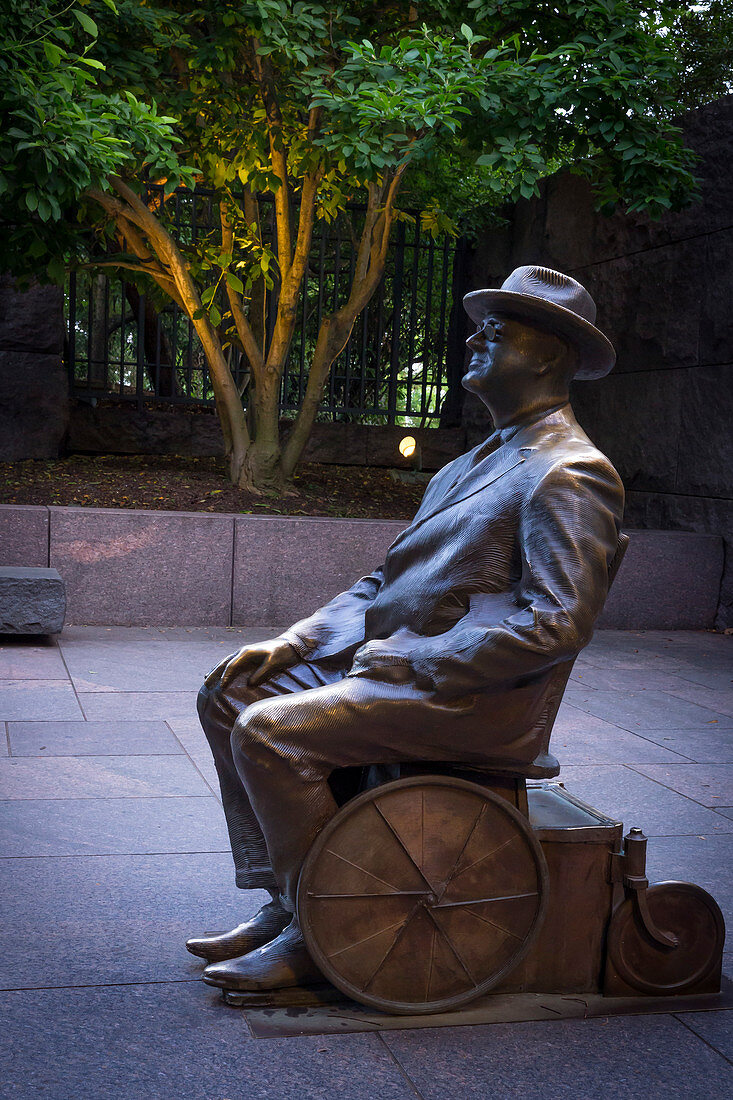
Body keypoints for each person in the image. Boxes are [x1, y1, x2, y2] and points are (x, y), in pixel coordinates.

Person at [188, 265, 625, 992]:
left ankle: (315, 934)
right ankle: (287, 898)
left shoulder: (569, 472)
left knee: (269, 731)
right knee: (228, 693)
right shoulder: (463, 468)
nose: (471, 340)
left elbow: (556, 622)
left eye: (495, 331)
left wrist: (414, 662)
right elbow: (381, 584)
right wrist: (295, 642)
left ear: (547, 355)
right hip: (400, 667)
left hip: (473, 699)